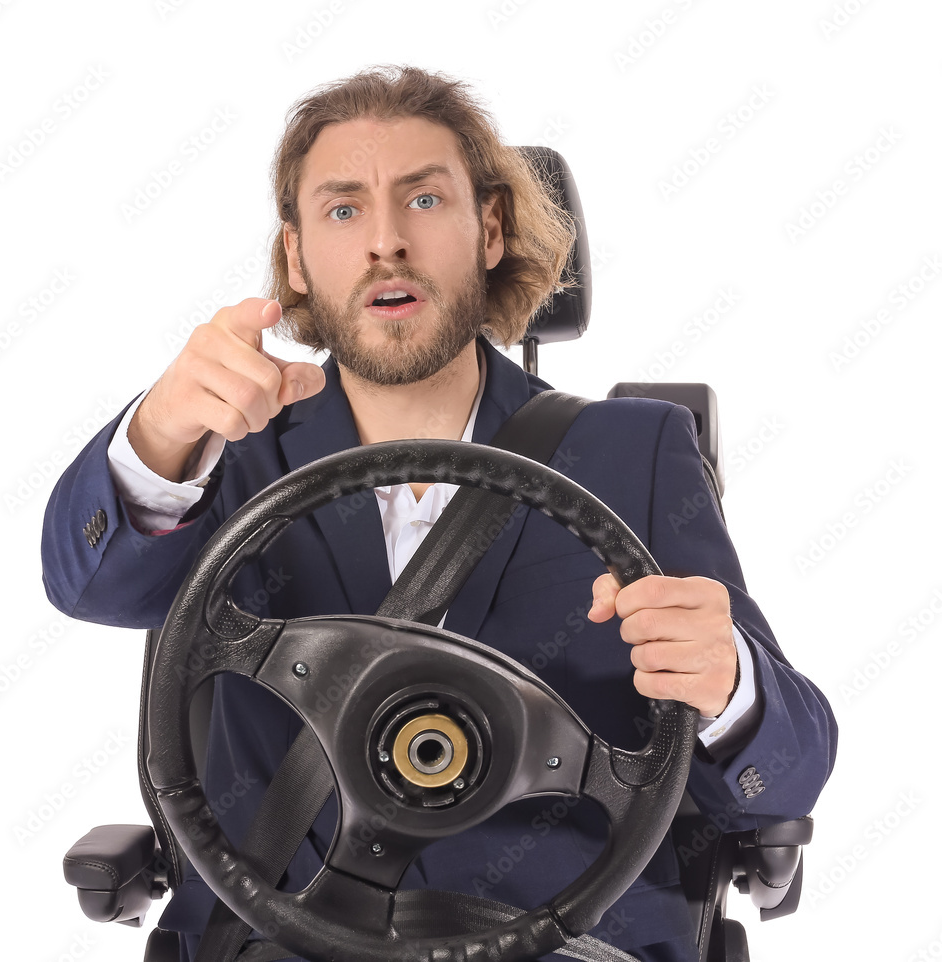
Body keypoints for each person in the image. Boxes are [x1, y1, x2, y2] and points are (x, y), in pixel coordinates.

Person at [42, 65, 836, 962]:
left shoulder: (635, 448)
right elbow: (89, 587)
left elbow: (793, 770)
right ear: (297, 257)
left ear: (489, 228)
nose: (386, 241)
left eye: (422, 200)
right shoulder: (226, 453)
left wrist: (727, 684)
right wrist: (157, 432)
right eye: (343, 209)